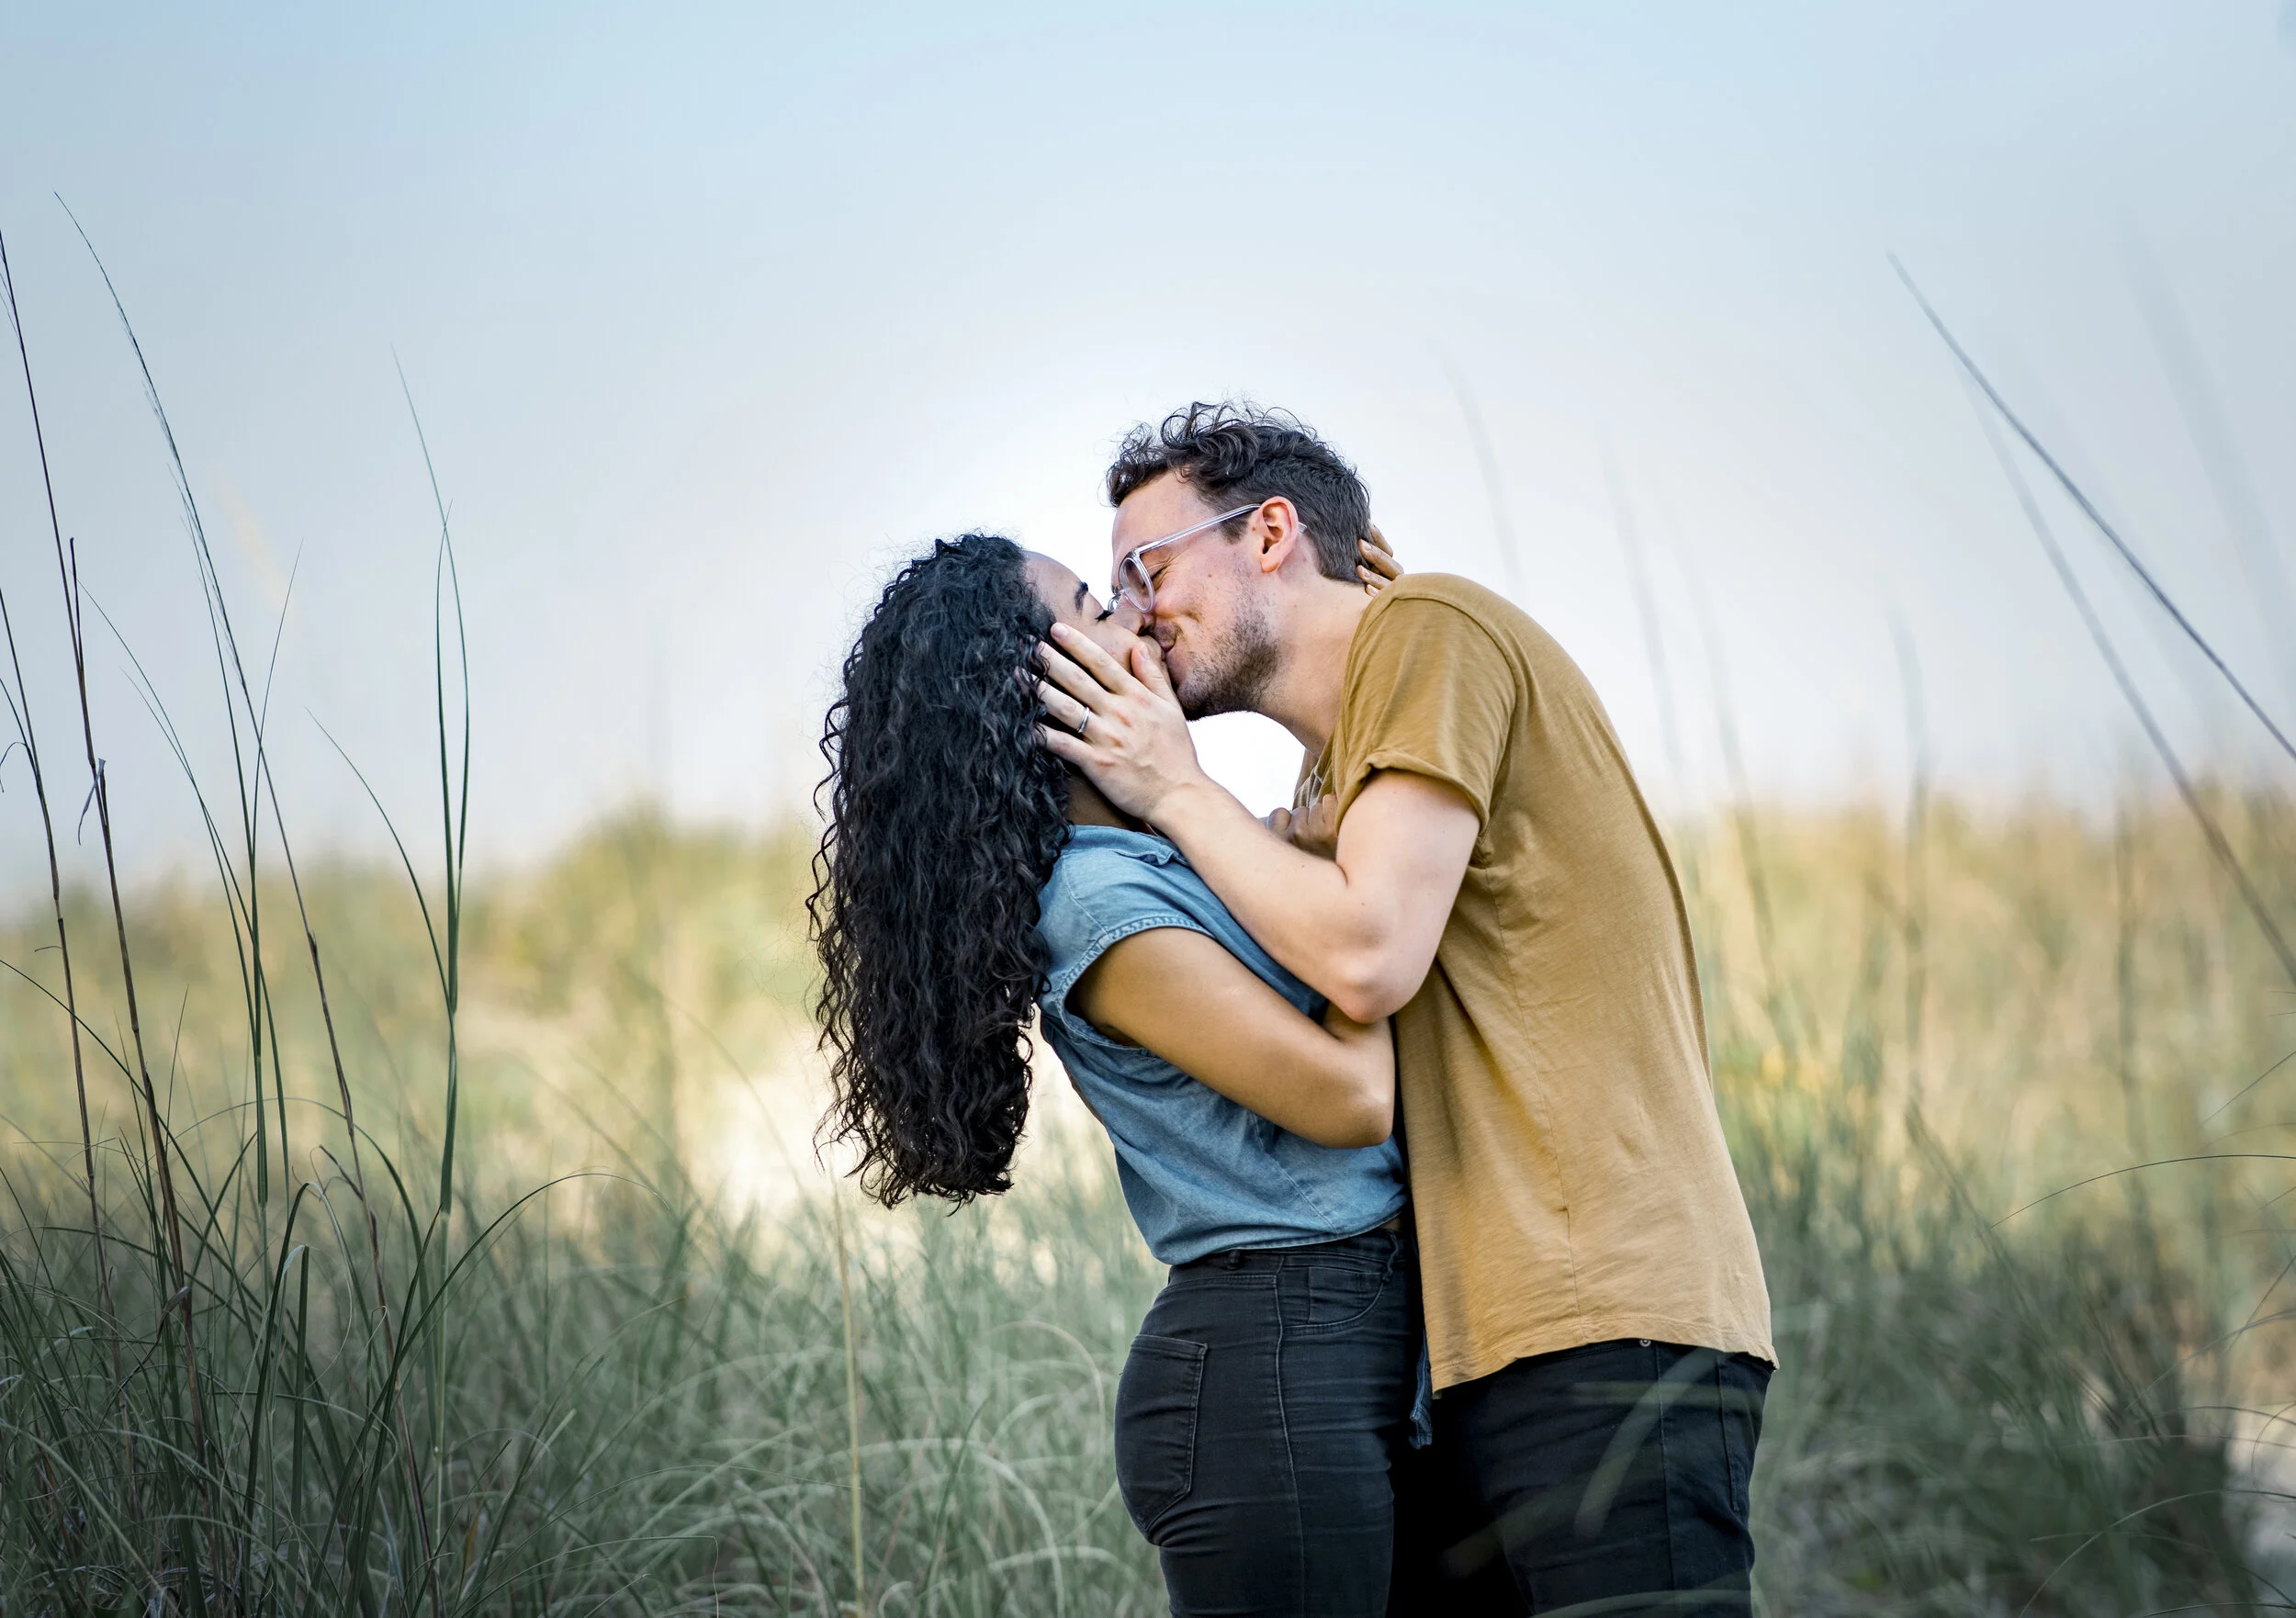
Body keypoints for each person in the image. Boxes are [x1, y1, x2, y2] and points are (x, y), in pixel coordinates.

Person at [1035, 402, 1777, 1615]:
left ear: (1271, 531)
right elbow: (1324, 899)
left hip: (1604, 1321)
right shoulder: (1358, 752)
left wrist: (1174, 785)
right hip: (1489, 1346)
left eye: (1147, 568)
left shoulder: (1430, 628)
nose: (1136, 612)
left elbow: (1368, 955)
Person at [809, 529, 1424, 1617]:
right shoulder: (1096, 910)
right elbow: (1351, 1093)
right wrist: (1329, 878)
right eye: (1097, 607)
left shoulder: (1162, 855)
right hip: (1265, 1370)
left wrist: (1369, 647)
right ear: (1032, 692)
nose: (1138, 617)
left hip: (1332, 1348)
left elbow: (1335, 915)